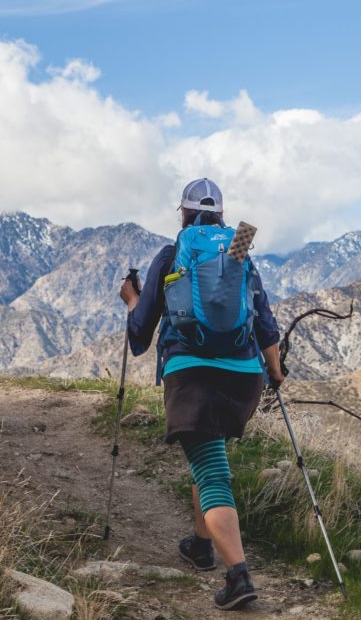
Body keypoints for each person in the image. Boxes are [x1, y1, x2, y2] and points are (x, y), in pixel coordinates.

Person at [119, 178, 285, 611]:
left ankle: (239, 576)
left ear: (184, 215)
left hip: (191, 373)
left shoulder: (173, 253)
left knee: (211, 472)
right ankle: (199, 543)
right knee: (209, 454)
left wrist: (131, 298)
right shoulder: (239, 249)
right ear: (223, 217)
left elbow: (140, 332)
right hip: (244, 375)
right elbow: (264, 320)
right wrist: (275, 370)